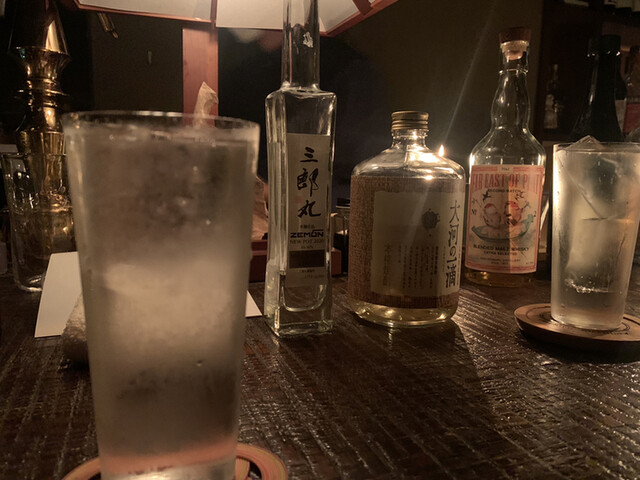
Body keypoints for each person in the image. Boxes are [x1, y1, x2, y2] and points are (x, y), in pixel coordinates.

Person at [218, 28, 391, 207]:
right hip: (244, 211)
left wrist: (276, 195)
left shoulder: (348, 70)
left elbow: (362, 181)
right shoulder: (237, 73)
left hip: (310, 213)